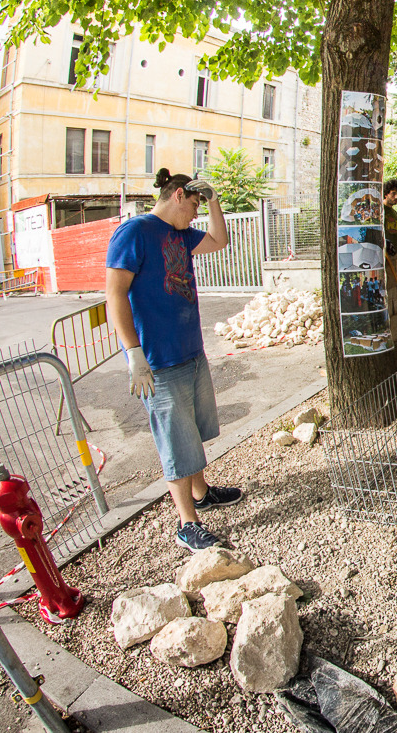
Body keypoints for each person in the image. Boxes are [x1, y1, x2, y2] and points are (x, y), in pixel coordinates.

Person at [105, 168, 242, 553]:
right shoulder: (135, 232)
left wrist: (214, 199)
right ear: (178, 195)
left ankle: (200, 492)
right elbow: (115, 294)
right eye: (195, 204)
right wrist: (134, 353)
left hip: (190, 350)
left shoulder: (180, 234)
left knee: (193, 430)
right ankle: (187, 523)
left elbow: (219, 240)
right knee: (174, 439)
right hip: (157, 359)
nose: (196, 213)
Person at [383, 178, 397, 305]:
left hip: (396, 255)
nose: (396, 197)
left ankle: (395, 306)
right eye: (393, 194)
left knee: (396, 285)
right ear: (386, 193)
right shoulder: (381, 212)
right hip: (386, 256)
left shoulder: (394, 213)